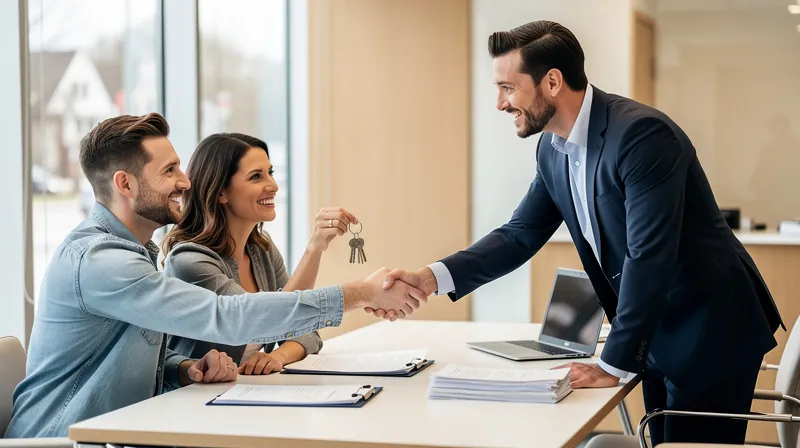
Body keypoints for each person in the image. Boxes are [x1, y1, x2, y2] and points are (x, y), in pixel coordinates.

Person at [375, 21, 784, 445]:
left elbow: (648, 254)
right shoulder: (553, 149)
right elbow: (519, 234)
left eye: (508, 88)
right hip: (658, 329)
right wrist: (429, 278)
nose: (499, 103)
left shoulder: (642, 135)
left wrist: (611, 363)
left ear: (552, 81)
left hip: (708, 327)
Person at [6, 113, 425, 438]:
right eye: (169, 170)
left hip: (115, 431)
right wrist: (356, 293)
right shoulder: (101, 261)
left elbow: (132, 355)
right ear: (125, 184)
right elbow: (226, 316)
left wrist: (184, 368)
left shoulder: (134, 254)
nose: (185, 181)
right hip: (62, 440)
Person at [162, 132, 349, 377]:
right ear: (220, 193)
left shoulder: (262, 250)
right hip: (195, 400)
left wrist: (277, 357)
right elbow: (263, 317)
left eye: (270, 172)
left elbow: (306, 327)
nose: (273, 185)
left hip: (243, 392)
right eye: (256, 176)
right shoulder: (190, 261)